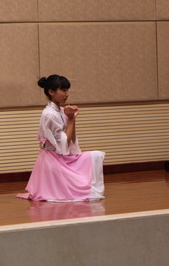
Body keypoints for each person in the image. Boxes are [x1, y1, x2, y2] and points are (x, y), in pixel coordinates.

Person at [17, 74, 105, 202]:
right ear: (51, 92)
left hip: (61, 156)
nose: (67, 94)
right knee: (82, 183)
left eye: (67, 90)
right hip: (53, 159)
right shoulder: (49, 114)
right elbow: (64, 145)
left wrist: (71, 119)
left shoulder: (60, 111)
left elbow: (71, 140)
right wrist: (70, 119)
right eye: (63, 90)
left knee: (95, 156)